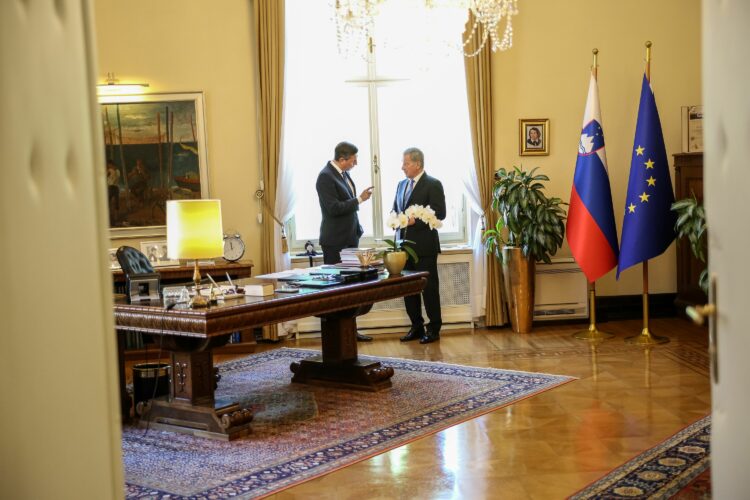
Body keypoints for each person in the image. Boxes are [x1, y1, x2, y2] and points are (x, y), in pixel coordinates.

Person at [316, 141, 374, 342]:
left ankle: (350, 330)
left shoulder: (344, 174)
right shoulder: (325, 177)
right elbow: (333, 208)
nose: (355, 163)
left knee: (351, 287)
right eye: (353, 160)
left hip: (350, 238)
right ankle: (336, 335)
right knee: (337, 289)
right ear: (342, 159)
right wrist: (359, 200)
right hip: (335, 241)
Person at [394, 147, 446, 344]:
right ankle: (416, 326)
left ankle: (434, 328)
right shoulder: (400, 185)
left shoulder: (433, 184)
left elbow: (440, 213)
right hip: (403, 248)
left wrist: (418, 222)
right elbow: (395, 209)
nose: (402, 167)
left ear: (417, 164)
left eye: (406, 163)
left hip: (424, 248)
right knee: (408, 290)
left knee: (429, 289)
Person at [106, 160, 120, 224]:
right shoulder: (108, 171)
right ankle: (110, 217)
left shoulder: (117, 171)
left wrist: (111, 172)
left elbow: (115, 179)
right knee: (108, 202)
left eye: (109, 165)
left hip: (114, 187)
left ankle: (115, 218)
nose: (109, 166)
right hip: (110, 187)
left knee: (116, 203)